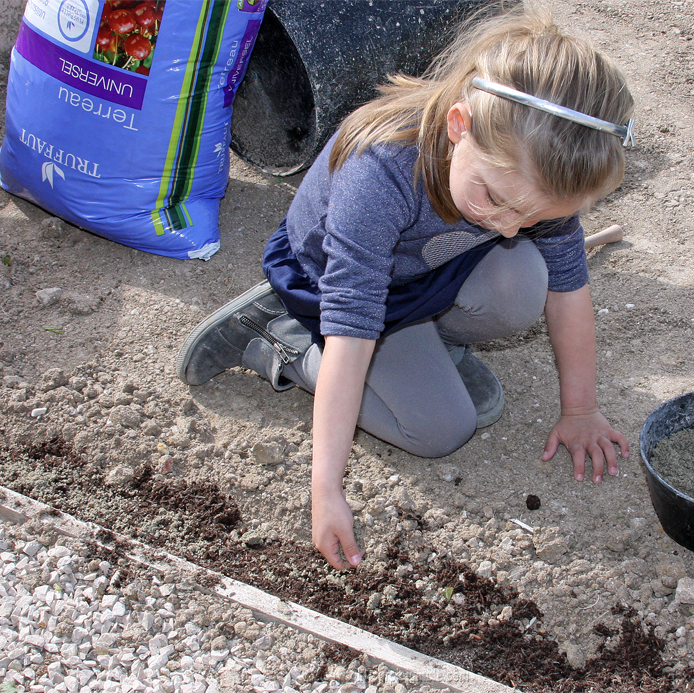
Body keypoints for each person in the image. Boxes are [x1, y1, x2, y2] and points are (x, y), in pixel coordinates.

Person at [176, 1, 634, 570]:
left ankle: (428, 346)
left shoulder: (523, 176)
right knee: (440, 428)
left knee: (526, 280)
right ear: (459, 126)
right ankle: (279, 338)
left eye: (534, 218)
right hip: (337, 289)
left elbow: (569, 288)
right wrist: (325, 493)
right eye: (496, 199)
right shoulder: (382, 174)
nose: (512, 225)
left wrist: (582, 408)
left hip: (427, 271)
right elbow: (352, 335)